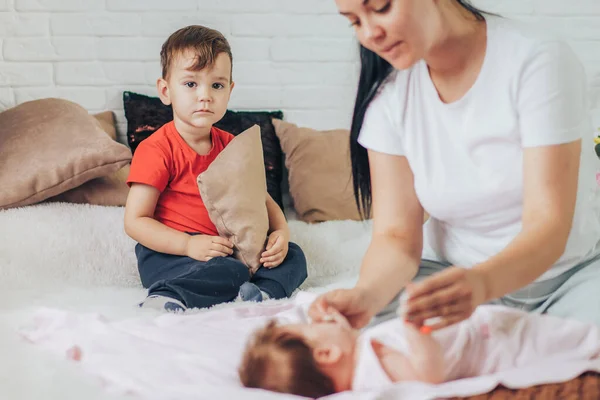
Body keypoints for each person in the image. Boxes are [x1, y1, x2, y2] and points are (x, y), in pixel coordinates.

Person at [309, 0, 600, 330]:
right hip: (451, 279)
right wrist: (366, 296)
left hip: (567, 280)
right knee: (353, 337)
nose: (370, 33)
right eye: (354, 22)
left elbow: (547, 225)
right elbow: (396, 237)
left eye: (381, 7)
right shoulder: (388, 96)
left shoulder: (537, 60)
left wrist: (481, 284)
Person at [124, 25, 307, 313]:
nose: (205, 95)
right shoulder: (156, 149)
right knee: (228, 271)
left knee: (295, 256)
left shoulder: (232, 147)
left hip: (229, 250)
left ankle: (261, 293)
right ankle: (166, 296)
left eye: (217, 85)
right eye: (190, 84)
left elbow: (262, 199)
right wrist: (187, 245)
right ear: (165, 90)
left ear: (229, 91)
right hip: (171, 255)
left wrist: (281, 233)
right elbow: (135, 221)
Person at [238, 305, 600, 398]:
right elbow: (428, 377)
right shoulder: (374, 360)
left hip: (489, 334)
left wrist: (341, 329)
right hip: (497, 342)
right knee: (575, 341)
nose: (319, 320)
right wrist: (417, 328)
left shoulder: (364, 365)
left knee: (570, 337)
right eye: (310, 327)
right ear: (328, 355)